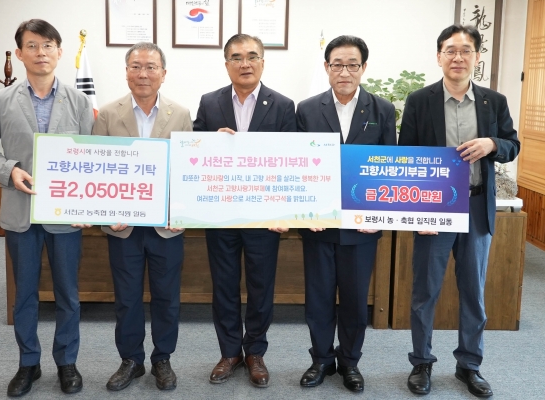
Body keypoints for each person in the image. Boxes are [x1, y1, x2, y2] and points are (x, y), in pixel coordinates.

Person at [399, 24, 520, 397]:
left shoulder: (493, 101)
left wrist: (491, 144)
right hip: (434, 208)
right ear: (439, 56)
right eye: (450, 50)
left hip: (475, 205)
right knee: (425, 291)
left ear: (477, 57)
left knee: (473, 292)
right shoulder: (419, 101)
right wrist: (420, 213)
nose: (458, 57)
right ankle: (421, 362)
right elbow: (407, 156)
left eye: (466, 50)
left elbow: (512, 145)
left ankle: (469, 365)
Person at [0, 19, 94, 397]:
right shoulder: (2, 100)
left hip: (65, 214)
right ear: (20, 53)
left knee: (67, 294)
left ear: (59, 52)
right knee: (24, 294)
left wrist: (87, 205)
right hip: (20, 212)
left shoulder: (79, 101)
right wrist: (9, 171)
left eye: (47, 45)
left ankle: (67, 361)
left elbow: (91, 158)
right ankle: (28, 362)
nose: (40, 53)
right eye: (32, 46)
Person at [193, 33, 296, 388]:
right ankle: (229, 352)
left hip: (265, 216)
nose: (245, 63)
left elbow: (292, 161)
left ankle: (255, 352)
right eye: (236, 57)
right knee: (223, 285)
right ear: (227, 65)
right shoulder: (209, 103)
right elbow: (194, 151)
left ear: (263, 62)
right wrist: (212, 144)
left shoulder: (283, 105)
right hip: (221, 213)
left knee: (260, 285)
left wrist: (284, 211)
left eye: (252, 56)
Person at [295, 35, 396, 392]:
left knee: (354, 299)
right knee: (319, 297)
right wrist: (305, 210)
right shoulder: (307, 109)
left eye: (352, 64)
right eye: (337, 64)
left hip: (361, 225)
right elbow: (298, 163)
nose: (344, 72)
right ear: (327, 67)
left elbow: (389, 167)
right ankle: (321, 359)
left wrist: (377, 215)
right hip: (319, 223)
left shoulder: (382, 110)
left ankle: (350, 362)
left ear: (363, 68)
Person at [92, 42, 192, 392]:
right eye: (136, 66)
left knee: (167, 297)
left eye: (151, 67)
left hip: (166, 226)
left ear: (163, 73)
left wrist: (180, 211)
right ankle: (131, 360)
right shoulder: (107, 114)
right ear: (126, 72)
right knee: (127, 298)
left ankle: (162, 358)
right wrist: (106, 212)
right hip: (124, 226)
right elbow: (97, 170)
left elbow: (187, 171)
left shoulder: (181, 114)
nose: (143, 74)